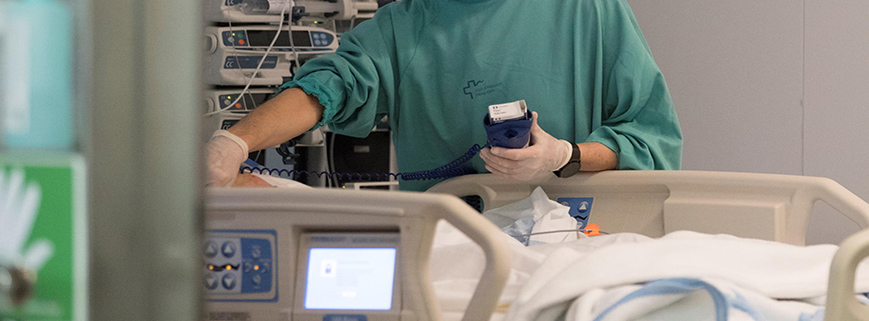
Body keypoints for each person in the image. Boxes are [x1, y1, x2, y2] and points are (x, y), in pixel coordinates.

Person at [206, 0, 682, 191]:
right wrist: (236, 143)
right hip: (451, 246)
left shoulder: (586, 11)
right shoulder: (407, 23)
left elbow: (649, 140)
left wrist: (563, 155)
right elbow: (327, 86)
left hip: (572, 240)